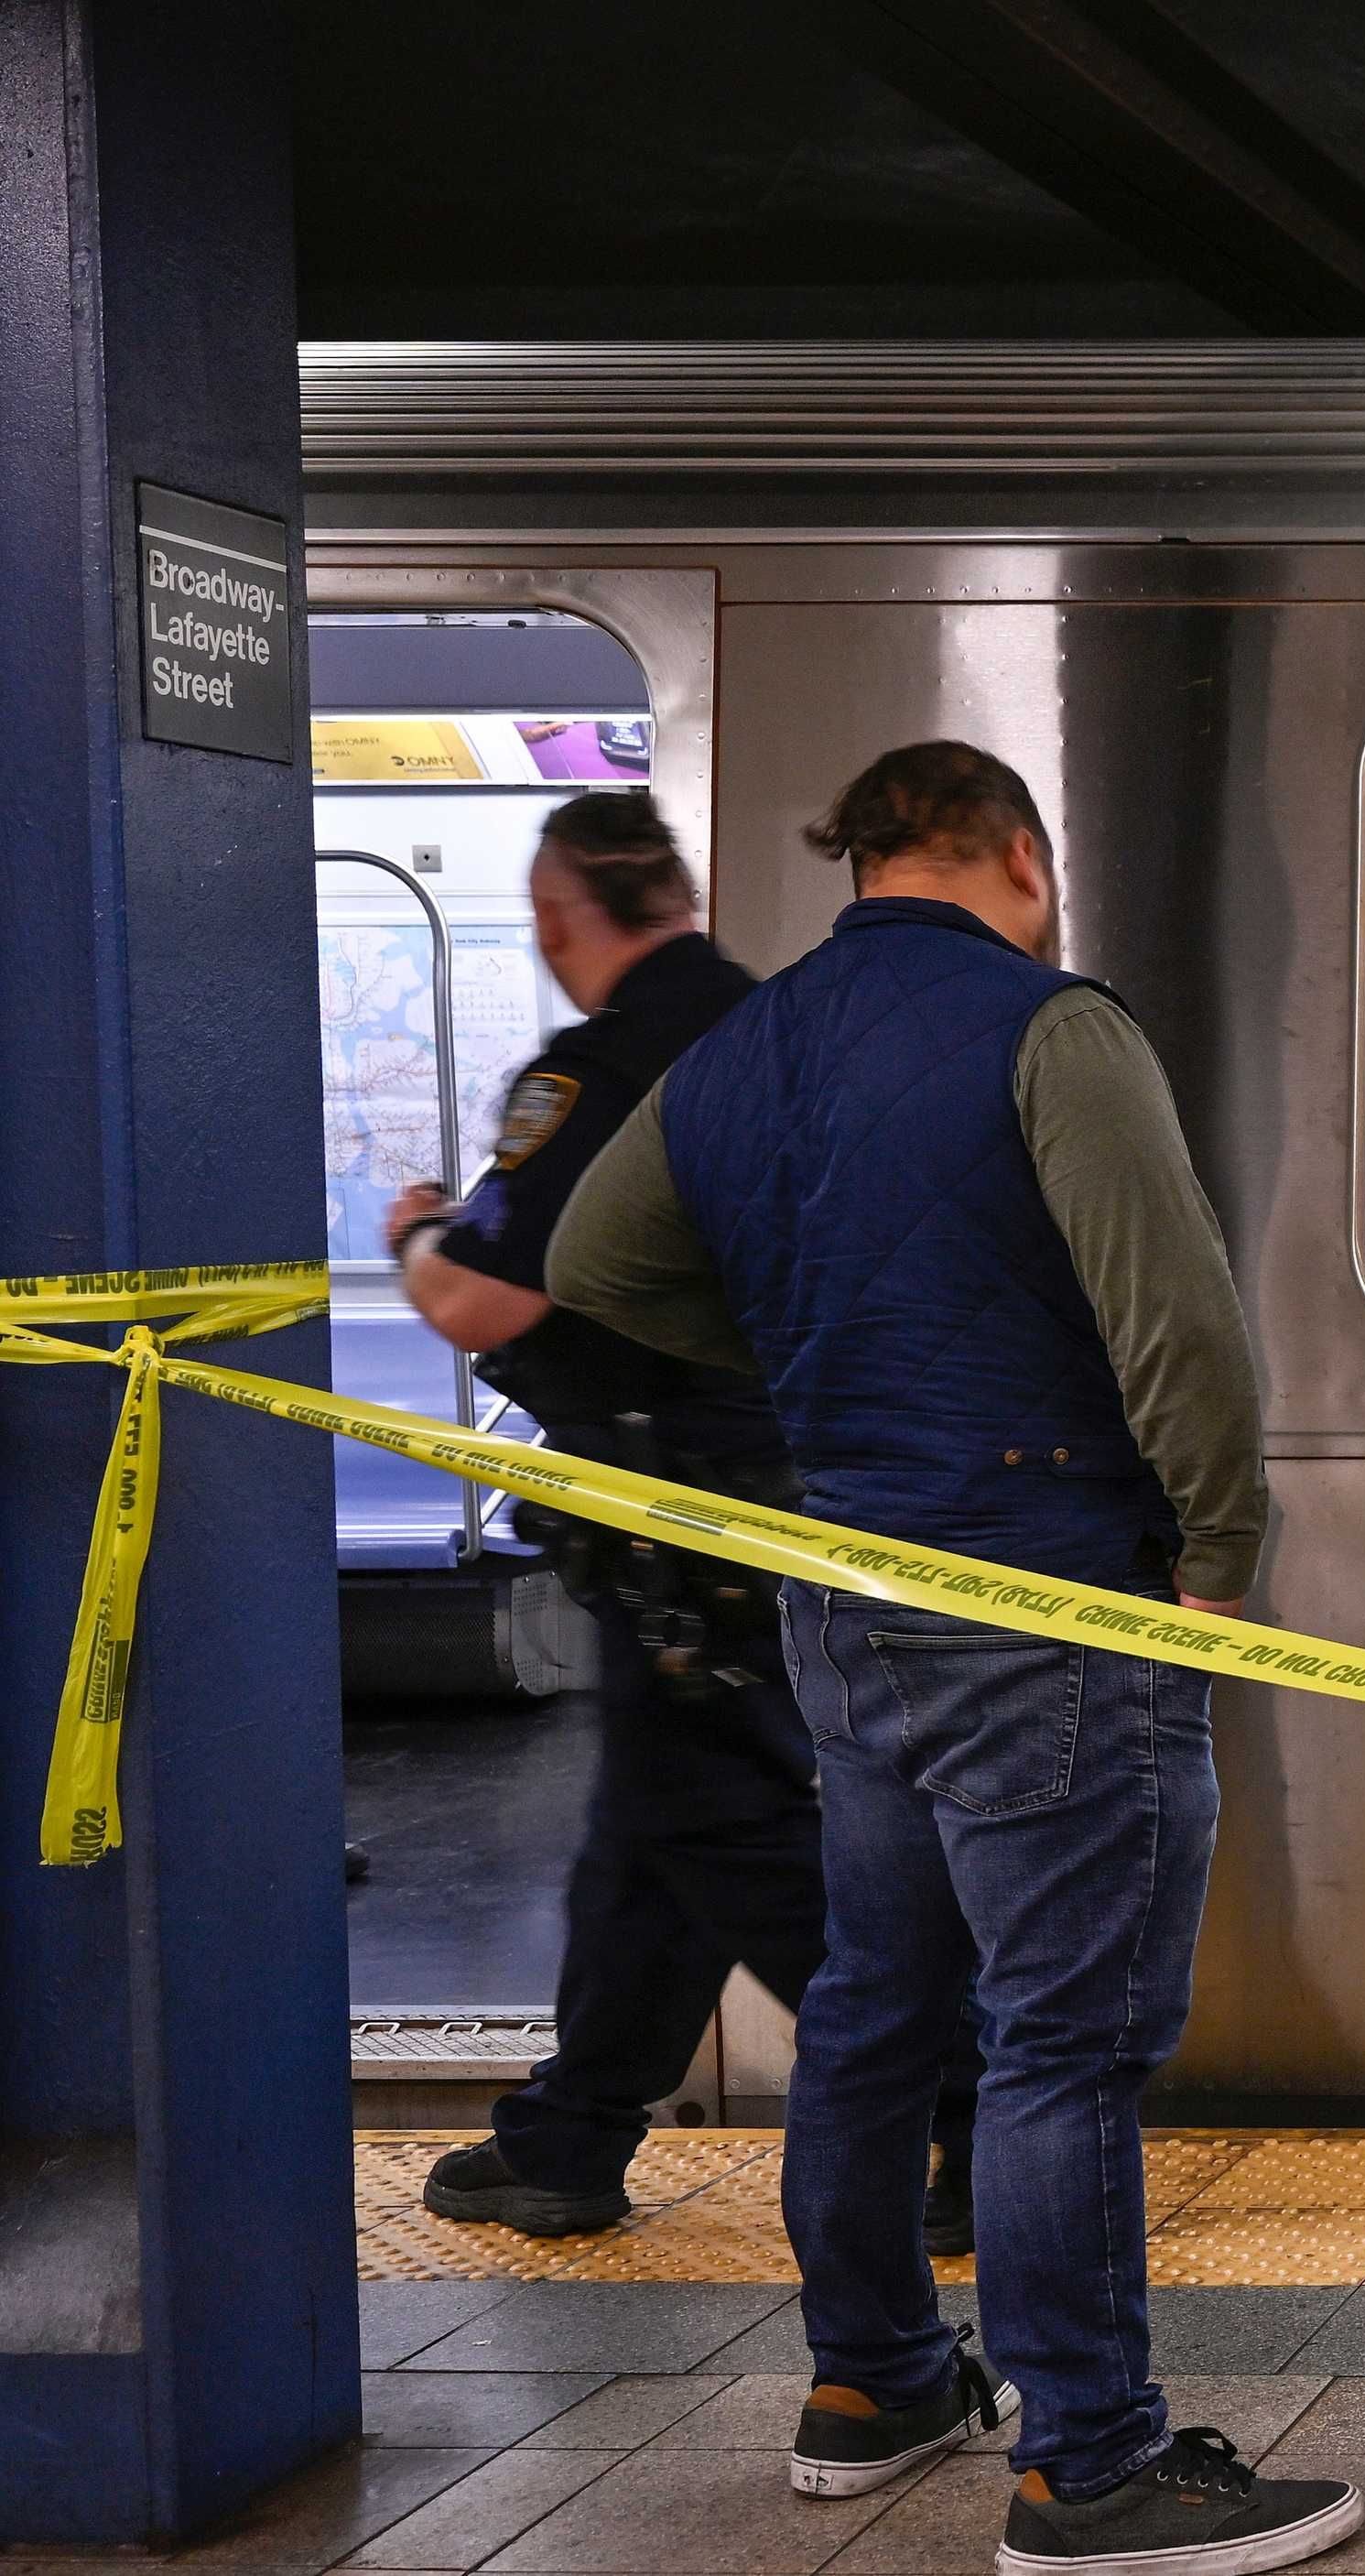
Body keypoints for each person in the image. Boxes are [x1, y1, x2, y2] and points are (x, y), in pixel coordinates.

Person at [548, 744, 1359, 2572]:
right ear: (1020, 855)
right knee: (1063, 2034)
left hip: (846, 1590)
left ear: (865, 866)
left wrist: (813, 1351)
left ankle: (875, 2379)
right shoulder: (1052, 1028)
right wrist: (1222, 1557)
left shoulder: (744, 1043)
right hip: (1047, 1589)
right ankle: (1091, 2463)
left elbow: (597, 1256)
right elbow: (1177, 1316)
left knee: (874, 1997)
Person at [393, 790, 976, 2254]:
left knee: (726, 1828)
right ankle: (573, 2131)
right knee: (659, 1823)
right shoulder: (790, 1032)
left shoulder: (597, 1074)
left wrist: (415, 1235)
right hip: (808, 1481)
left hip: (677, 1514)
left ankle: (977, 2105)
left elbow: (482, 1298)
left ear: (556, 918)